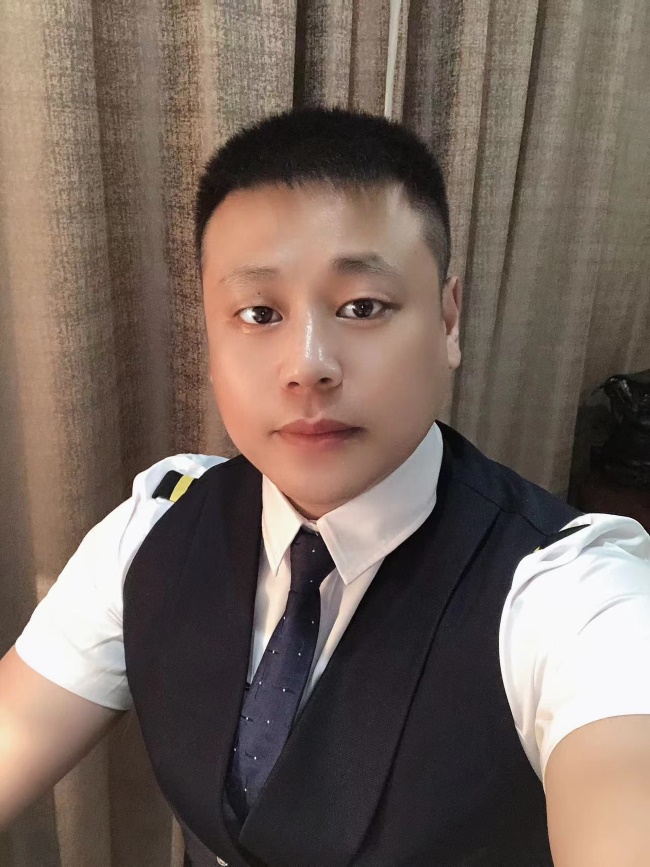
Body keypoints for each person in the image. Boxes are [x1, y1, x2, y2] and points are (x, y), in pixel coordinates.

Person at [1, 106, 649, 867]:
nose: (308, 365)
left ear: (448, 320)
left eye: (362, 307)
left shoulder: (570, 590)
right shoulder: (154, 531)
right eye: (258, 313)